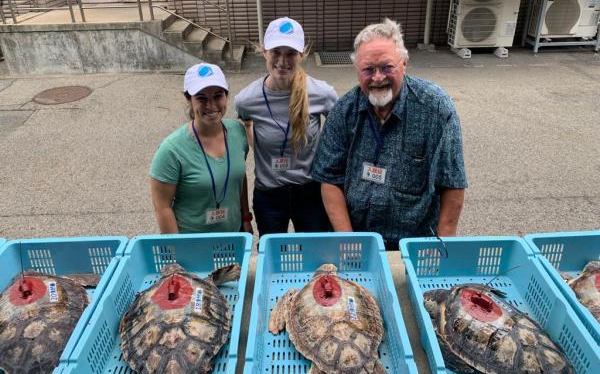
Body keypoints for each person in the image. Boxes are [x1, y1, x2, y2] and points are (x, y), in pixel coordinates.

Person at [311, 18, 467, 250]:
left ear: (404, 63)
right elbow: (329, 179)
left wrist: (443, 246)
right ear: (357, 70)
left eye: (386, 67)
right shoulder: (344, 110)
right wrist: (349, 241)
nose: (377, 78)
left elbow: (452, 183)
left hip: (414, 241)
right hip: (358, 237)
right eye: (368, 70)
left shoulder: (435, 108)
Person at [235, 17, 338, 235]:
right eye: (276, 52)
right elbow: (246, 124)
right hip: (269, 194)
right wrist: (259, 144)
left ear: (302, 54)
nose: (282, 61)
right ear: (264, 52)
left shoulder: (321, 93)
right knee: (274, 260)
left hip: (310, 191)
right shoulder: (246, 100)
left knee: (314, 257)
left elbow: (339, 134)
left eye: (290, 53)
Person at [150, 62, 252, 234]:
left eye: (217, 96)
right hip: (192, 244)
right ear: (189, 99)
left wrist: (245, 218)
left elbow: (239, 178)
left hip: (233, 237)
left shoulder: (237, 132)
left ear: (226, 96)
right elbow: (162, 207)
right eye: (202, 98)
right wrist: (175, 253)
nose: (211, 106)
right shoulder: (171, 150)